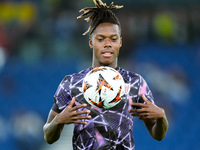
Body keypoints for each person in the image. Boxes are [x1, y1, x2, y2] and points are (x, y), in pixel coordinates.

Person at [43, 0, 168, 149]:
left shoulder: (135, 83)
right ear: (91, 42)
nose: (107, 44)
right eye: (101, 39)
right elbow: (48, 136)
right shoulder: (71, 83)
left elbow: (157, 135)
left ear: (120, 42)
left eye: (113, 39)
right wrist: (58, 121)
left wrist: (162, 117)